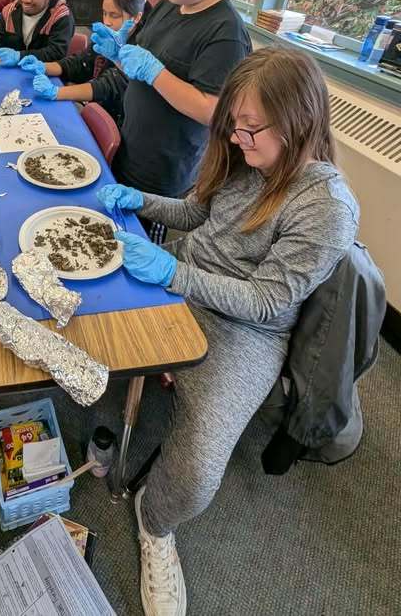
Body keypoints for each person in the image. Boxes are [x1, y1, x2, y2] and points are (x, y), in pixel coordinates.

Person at [96, 48, 359, 616]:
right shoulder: (245, 155)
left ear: (299, 121)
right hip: (185, 274)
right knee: (86, 328)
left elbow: (266, 302)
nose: (237, 139)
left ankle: (154, 521)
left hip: (247, 328)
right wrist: (137, 200)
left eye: (250, 128)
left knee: (193, 476)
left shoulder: (326, 205)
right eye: (232, 126)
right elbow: (196, 216)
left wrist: (172, 272)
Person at [96, 0, 251, 234]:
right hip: (131, 145)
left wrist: (156, 73)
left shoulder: (225, 33)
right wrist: (118, 57)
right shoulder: (170, 2)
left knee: (137, 247)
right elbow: (140, 67)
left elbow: (212, 111)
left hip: (161, 171)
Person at [26, 0, 146, 124]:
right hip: (96, 109)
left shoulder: (140, 49)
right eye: (104, 13)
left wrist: (56, 92)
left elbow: (107, 86)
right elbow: (80, 61)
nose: (106, 21)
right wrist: (43, 66)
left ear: (136, 18)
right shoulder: (106, 36)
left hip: (116, 120)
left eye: (114, 15)